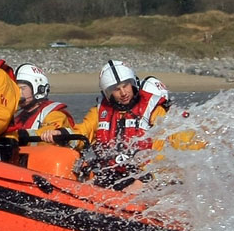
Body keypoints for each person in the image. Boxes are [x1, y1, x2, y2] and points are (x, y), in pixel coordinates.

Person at [41, 60, 172, 188]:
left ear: (133, 83)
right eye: (116, 89)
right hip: (110, 174)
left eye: (125, 86)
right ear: (108, 93)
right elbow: (82, 132)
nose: (123, 93)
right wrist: (61, 134)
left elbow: (161, 150)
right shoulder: (99, 111)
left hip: (144, 176)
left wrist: (144, 180)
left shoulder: (153, 109)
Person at [7, 63, 75, 140]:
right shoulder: (18, 117)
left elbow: (52, 130)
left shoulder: (54, 114)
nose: (18, 93)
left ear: (39, 89)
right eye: (15, 89)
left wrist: (22, 136)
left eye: (22, 88)